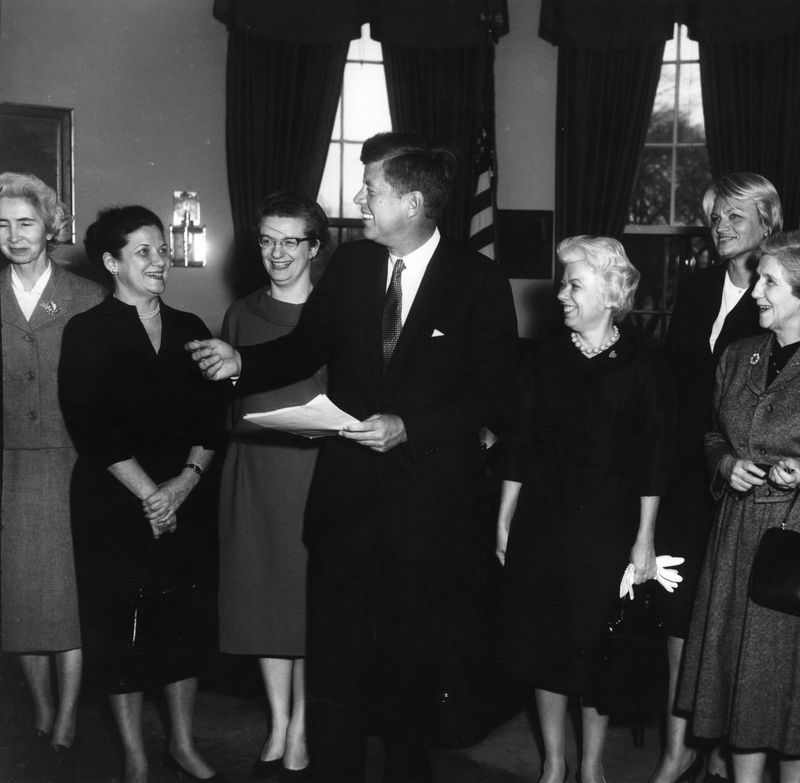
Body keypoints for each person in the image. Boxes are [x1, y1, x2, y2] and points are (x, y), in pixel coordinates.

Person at [188, 131, 519, 783]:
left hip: (426, 509)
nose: (358, 200)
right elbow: (305, 347)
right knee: (336, 665)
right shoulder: (351, 266)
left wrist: (411, 426)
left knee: (409, 666)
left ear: (414, 202)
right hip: (344, 506)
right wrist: (241, 362)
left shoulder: (478, 280)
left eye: (371, 190)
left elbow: (493, 390)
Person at [676, 232, 800, 783]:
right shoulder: (738, 355)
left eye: (769, 282)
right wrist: (724, 464)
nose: (757, 291)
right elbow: (714, 435)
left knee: (795, 690)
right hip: (738, 535)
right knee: (742, 684)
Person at [59, 206, 229, 783]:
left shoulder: (191, 328)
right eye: (145, 252)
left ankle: (182, 744)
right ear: (112, 263)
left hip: (185, 492)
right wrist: (150, 497)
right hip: (115, 499)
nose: (161, 261)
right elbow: (91, 428)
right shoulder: (87, 331)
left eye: (163, 249)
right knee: (120, 629)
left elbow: (214, 421)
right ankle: (134, 755)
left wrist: (183, 484)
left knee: (184, 621)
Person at [495, 236, 673, 783]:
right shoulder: (543, 357)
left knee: (595, 647)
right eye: (564, 283)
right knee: (543, 643)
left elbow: (653, 456)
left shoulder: (644, 361)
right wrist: (504, 518)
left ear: (611, 291)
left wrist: (644, 539)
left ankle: (592, 766)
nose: (563, 296)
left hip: (608, 523)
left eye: (574, 284)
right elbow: (518, 443)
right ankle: (553, 761)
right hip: (543, 518)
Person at [650, 173, 781, 783]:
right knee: (679, 606)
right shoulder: (699, 286)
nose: (721, 227)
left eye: (736, 216)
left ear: (768, 223)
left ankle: (730, 748)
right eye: (716, 217)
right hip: (683, 472)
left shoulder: (783, 289)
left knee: (734, 614)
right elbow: (676, 384)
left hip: (745, 477)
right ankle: (679, 749)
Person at [217, 192, 329, 781]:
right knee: (263, 599)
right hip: (254, 470)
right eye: (267, 239)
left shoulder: (337, 312)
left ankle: (305, 725)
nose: (277, 252)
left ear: (314, 247)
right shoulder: (240, 313)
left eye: (291, 240)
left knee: (308, 603)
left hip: (314, 473)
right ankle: (279, 720)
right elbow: (226, 399)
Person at [0, 172, 106, 777]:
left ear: (50, 226)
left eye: (26, 222)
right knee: (20, 605)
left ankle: (68, 714)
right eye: (4, 224)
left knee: (67, 600)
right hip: (9, 465)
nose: (15, 235)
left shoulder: (86, 297)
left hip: (72, 462)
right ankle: (41, 708)